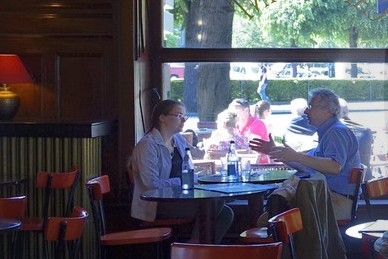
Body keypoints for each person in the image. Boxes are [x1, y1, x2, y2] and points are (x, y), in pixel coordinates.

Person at [249, 87, 363, 221]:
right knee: (270, 218)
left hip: (337, 202)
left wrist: (296, 156)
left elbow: (334, 167)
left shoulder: (336, 133)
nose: (306, 111)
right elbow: (305, 164)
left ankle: (284, 238)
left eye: (310, 106)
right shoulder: (329, 132)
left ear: (328, 110)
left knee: (269, 220)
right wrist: (274, 151)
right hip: (328, 197)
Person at [130, 98, 233, 236]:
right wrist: (182, 181)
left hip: (178, 199)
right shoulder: (147, 146)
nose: (184, 120)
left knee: (226, 212)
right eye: (179, 116)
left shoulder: (178, 139)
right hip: (155, 206)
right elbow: (150, 185)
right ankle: (195, 249)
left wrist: (209, 175)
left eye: (185, 116)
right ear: (162, 118)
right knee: (212, 203)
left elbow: (193, 159)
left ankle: (200, 249)